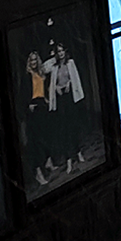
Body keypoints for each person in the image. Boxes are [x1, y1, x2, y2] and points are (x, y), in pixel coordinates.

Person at [46, 43, 86, 174]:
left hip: (71, 98)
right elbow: (45, 70)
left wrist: (69, 83)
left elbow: (75, 78)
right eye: (58, 52)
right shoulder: (54, 66)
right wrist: (57, 87)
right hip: (61, 100)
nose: (61, 53)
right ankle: (69, 159)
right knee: (65, 129)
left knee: (74, 126)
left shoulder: (70, 63)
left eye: (62, 51)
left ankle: (78, 152)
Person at [25, 51, 55, 186]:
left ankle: (48, 160)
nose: (33, 63)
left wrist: (47, 99)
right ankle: (38, 172)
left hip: (42, 104)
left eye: (35, 60)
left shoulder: (41, 73)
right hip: (33, 107)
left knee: (47, 135)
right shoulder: (27, 76)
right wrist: (29, 104)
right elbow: (24, 93)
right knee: (36, 140)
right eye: (31, 61)